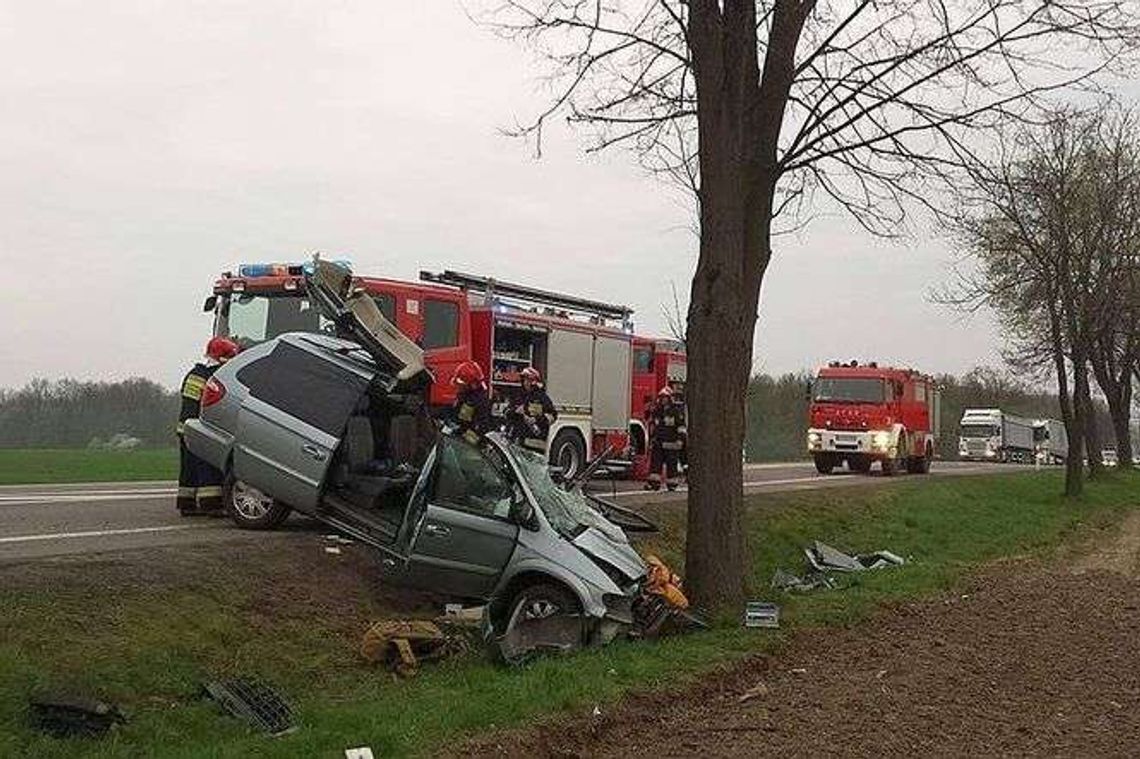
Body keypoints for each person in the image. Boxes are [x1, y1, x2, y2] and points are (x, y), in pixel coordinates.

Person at [177, 336, 239, 515]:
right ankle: (211, 504)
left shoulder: (195, 374)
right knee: (207, 466)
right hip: (201, 428)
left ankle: (186, 503)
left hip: (186, 428)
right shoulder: (213, 377)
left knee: (188, 468)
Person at [505, 366, 558, 452]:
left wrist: (536, 420)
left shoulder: (542, 398)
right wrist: (515, 411)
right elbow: (506, 412)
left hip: (535, 443)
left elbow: (553, 415)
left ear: (533, 381)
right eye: (524, 380)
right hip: (517, 441)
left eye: (527, 380)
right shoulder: (519, 396)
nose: (524, 382)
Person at [645, 386, 686, 491]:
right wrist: (652, 439)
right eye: (662, 397)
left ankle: (672, 484)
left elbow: (681, 427)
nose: (663, 400)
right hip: (658, 442)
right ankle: (654, 483)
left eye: (665, 397)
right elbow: (652, 425)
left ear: (670, 398)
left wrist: (680, 439)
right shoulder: (657, 411)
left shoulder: (675, 412)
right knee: (655, 464)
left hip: (671, 444)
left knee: (671, 465)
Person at [449, 360, 492, 444]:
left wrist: (459, 436)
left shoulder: (478, 401)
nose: (459, 387)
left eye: (462, 385)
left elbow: (479, 429)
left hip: (470, 442)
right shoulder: (466, 394)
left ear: (472, 384)